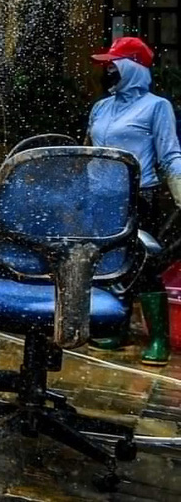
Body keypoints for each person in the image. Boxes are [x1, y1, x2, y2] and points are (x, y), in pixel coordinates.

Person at [87, 36, 179, 365]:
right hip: (101, 198)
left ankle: (158, 340)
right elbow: (90, 152)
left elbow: (170, 155)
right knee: (111, 264)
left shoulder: (157, 107)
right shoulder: (101, 107)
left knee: (146, 265)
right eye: (106, 64)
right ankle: (118, 329)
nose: (108, 69)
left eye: (114, 63)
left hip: (140, 196)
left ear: (134, 68)